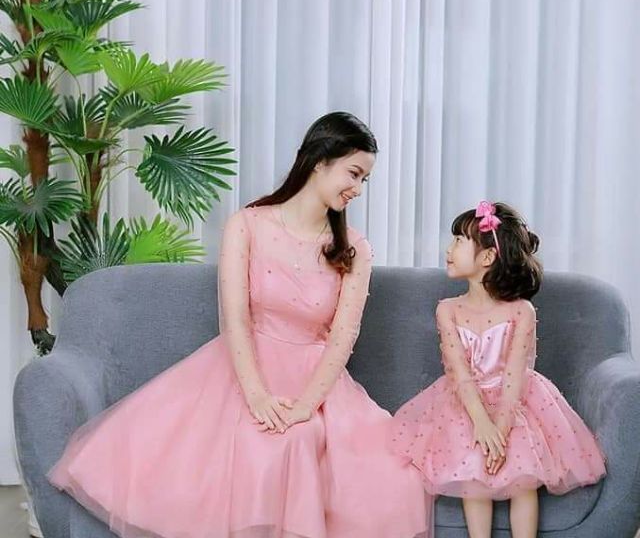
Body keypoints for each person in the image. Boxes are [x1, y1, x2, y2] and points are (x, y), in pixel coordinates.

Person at [48, 111, 431, 538]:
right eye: (354, 174)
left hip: (317, 381)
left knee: (329, 449)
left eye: (365, 180)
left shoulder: (354, 248)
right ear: (320, 160)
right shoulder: (247, 225)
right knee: (256, 443)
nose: (358, 189)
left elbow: (344, 336)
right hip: (243, 369)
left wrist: (306, 406)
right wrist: (257, 396)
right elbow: (234, 319)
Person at [390, 201, 606, 538]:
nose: (448, 249)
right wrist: (481, 423)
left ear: (487, 257)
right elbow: (458, 372)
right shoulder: (448, 310)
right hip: (466, 402)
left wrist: (500, 433)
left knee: (523, 476)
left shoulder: (521, 311)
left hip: (514, 401)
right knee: (472, 470)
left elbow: (516, 375)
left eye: (458, 241)